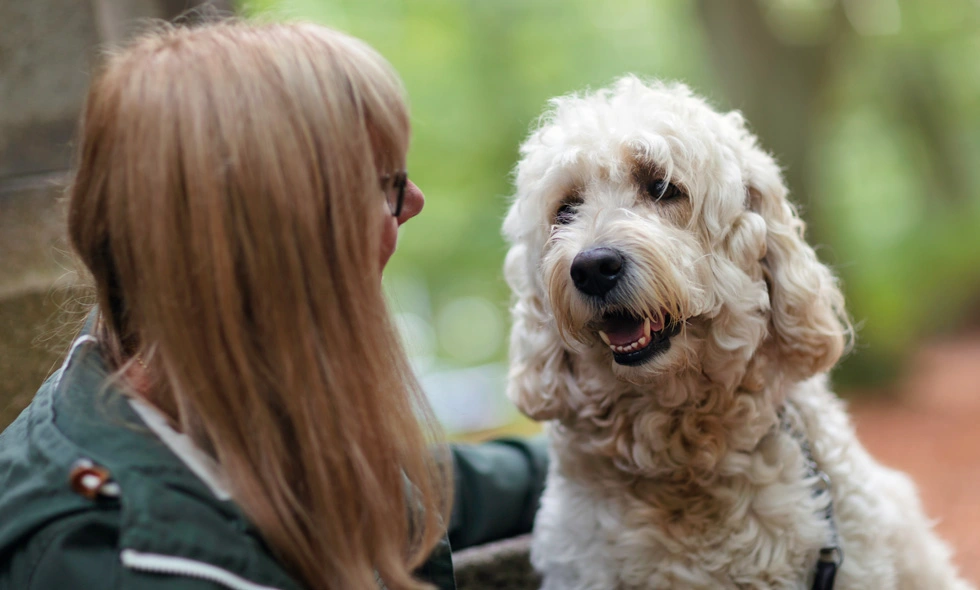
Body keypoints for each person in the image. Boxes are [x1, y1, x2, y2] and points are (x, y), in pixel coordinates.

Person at [0, 21, 546, 590]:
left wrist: (606, 455)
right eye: (385, 182)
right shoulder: (120, 566)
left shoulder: (204, 391)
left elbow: (389, 489)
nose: (413, 203)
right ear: (281, 246)